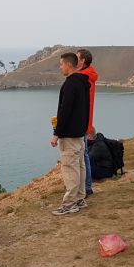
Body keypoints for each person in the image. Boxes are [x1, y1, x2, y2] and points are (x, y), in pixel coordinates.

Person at [50, 52, 90, 216]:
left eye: (61, 64)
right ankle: (80, 198)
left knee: (69, 168)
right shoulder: (82, 83)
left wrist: (56, 133)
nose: (60, 68)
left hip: (69, 135)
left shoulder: (70, 85)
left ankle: (70, 203)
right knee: (79, 167)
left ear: (68, 65)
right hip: (80, 133)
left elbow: (64, 111)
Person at [76, 48, 98, 196]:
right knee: (84, 155)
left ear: (83, 60)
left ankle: (86, 187)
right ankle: (87, 186)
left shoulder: (83, 77)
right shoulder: (89, 74)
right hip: (86, 119)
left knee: (83, 155)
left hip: (81, 120)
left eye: (77, 58)